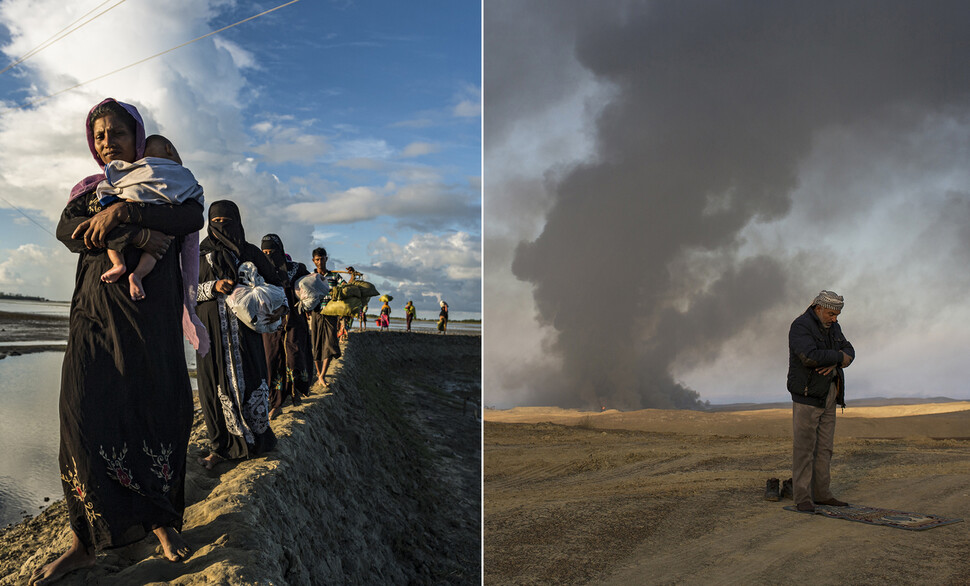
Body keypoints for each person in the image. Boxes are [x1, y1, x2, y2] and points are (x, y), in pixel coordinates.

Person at [30, 98, 204, 585]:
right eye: (99, 135)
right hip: (93, 315)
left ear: (138, 136)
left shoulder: (167, 180)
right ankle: (85, 542)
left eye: (117, 133)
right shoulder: (90, 190)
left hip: (151, 318)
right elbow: (69, 231)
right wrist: (124, 225)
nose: (108, 142)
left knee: (156, 410)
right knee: (83, 415)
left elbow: (190, 218)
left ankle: (162, 522)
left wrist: (131, 215)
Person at [195, 200, 280, 470]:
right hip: (211, 334)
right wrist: (213, 286)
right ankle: (219, 448)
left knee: (253, 379)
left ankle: (257, 440)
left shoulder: (251, 252)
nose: (221, 226)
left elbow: (275, 284)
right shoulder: (198, 254)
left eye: (227, 221)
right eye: (216, 221)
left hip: (246, 332)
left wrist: (257, 291)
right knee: (214, 386)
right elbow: (184, 291)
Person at [97, 134, 204, 301]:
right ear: (169, 149)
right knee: (155, 252)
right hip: (160, 222)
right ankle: (137, 276)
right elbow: (195, 196)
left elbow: (116, 188)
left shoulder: (135, 172)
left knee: (111, 236)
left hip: (130, 213)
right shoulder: (181, 174)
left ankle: (118, 264)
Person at [788, 290, 855, 513]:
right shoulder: (801, 326)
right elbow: (808, 356)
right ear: (818, 308)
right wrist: (837, 357)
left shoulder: (833, 327)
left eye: (837, 315)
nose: (834, 319)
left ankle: (823, 495)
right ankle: (803, 498)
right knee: (805, 449)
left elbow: (850, 350)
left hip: (830, 393)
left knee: (825, 448)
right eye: (831, 314)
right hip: (807, 396)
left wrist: (835, 361)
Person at [260, 234, 313, 420]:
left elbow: (309, 286)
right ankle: (276, 403)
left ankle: (296, 390)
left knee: (294, 356)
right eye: (264, 252)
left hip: (294, 320)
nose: (268, 256)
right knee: (272, 359)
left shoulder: (296, 269)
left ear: (280, 251)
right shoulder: (261, 271)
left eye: (272, 252)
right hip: (271, 322)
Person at [308, 247, 353, 388]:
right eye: (317, 259)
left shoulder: (334, 277)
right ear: (313, 261)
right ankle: (318, 372)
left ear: (326, 259)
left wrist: (352, 276)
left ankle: (322, 375)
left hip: (331, 314)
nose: (320, 262)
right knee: (316, 345)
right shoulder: (311, 278)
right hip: (316, 313)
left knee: (330, 343)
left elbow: (346, 288)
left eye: (322, 259)